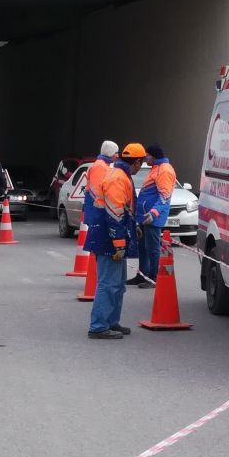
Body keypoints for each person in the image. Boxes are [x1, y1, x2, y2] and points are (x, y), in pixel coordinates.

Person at [86, 143, 145, 340]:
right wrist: (119, 243)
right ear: (137, 162)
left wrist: (131, 227)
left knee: (117, 284)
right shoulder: (118, 178)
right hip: (108, 238)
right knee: (108, 283)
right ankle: (99, 326)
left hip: (110, 236)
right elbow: (114, 213)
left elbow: (121, 210)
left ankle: (110, 322)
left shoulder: (119, 175)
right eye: (141, 163)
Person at [131, 144, 178, 288]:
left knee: (152, 248)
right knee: (143, 247)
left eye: (147, 155)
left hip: (152, 217)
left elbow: (164, 196)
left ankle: (153, 278)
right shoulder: (156, 168)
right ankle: (143, 275)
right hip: (146, 216)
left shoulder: (164, 170)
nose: (145, 158)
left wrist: (153, 213)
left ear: (154, 156)